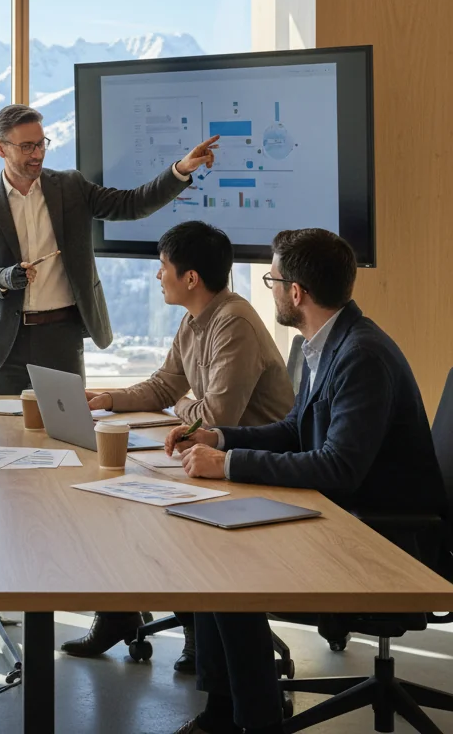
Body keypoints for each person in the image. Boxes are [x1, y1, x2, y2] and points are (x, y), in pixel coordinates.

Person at [165, 228, 447, 734]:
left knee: (228, 576)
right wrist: (220, 437)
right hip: (350, 514)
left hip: (386, 539)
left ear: (296, 293)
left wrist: (227, 466)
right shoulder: (330, 341)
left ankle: (252, 720)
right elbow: (298, 429)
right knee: (210, 549)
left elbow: (338, 467)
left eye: (273, 279)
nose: (271, 288)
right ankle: (225, 713)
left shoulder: (361, 355)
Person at [63, 221, 295, 667]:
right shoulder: (195, 320)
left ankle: (196, 630)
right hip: (209, 460)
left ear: (191, 278)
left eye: (163, 267)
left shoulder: (234, 323)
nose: (157, 276)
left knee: (139, 504)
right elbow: (164, 387)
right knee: (112, 499)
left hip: (250, 467)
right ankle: (125, 615)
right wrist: (108, 398)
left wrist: (183, 407)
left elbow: (215, 417)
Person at [0, 103, 219, 397]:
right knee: (4, 435)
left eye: (41, 144)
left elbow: (131, 204)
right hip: (6, 346)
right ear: (0, 149)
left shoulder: (71, 186)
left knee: (66, 434)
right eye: (27, 147)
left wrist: (180, 170)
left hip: (62, 338)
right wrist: (5, 278)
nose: (38, 154)